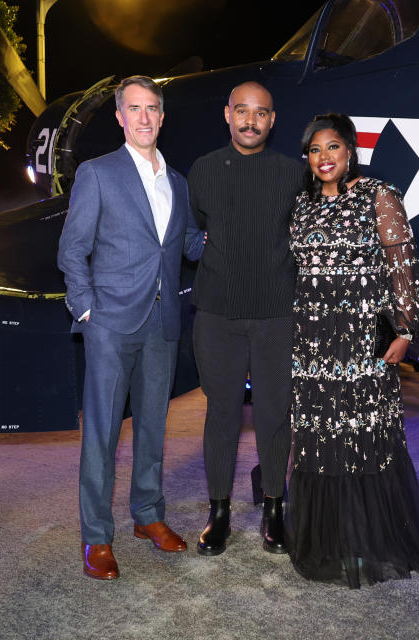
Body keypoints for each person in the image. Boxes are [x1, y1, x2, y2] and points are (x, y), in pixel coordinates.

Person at [57, 75, 205, 580]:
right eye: (134, 108)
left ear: (163, 117)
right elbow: (72, 249)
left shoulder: (179, 183)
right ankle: (96, 536)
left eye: (153, 108)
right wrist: (86, 309)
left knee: (153, 428)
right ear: (120, 117)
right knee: (101, 433)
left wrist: (237, 229)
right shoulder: (98, 174)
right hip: (110, 324)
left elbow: (187, 246)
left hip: (162, 323)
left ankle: (148, 516)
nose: (144, 117)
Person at [287, 113, 419, 588]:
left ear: (350, 150)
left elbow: (403, 265)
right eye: (314, 150)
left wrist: (406, 329)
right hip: (311, 343)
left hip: (361, 340)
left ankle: (371, 542)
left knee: (363, 437)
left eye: (332, 147)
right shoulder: (301, 205)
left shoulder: (379, 195)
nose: (324, 158)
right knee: (320, 439)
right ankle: (329, 542)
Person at [187, 81, 306, 556]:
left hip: (278, 315)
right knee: (221, 415)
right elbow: (189, 234)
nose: (251, 120)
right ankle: (219, 513)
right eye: (242, 111)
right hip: (217, 315)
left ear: (272, 120)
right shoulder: (203, 170)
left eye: (261, 113)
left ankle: (274, 509)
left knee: (277, 416)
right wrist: (204, 248)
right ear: (227, 114)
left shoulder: (293, 175)